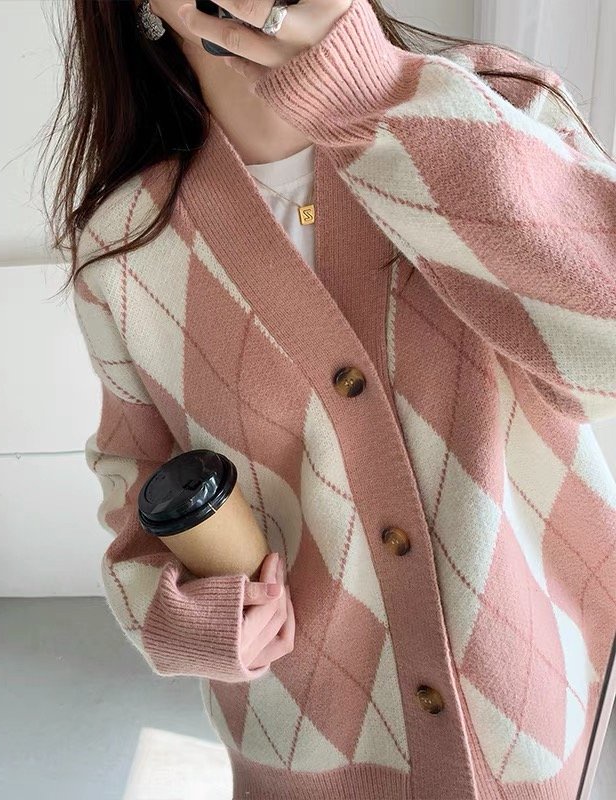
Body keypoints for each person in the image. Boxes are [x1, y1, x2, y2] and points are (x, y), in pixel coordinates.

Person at [41, 1, 616, 797]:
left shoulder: (500, 108)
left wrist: (368, 91)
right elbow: (136, 492)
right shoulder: (124, 249)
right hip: (304, 752)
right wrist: (181, 617)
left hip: (535, 729)